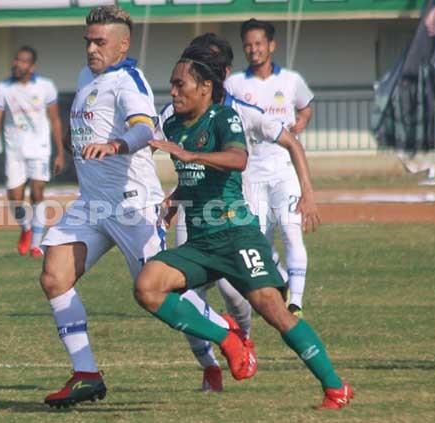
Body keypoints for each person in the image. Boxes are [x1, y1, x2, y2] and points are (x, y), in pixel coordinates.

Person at [37, 6, 235, 409]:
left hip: (132, 205)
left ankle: (224, 336)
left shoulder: (128, 80)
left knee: (157, 293)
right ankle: (86, 375)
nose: (91, 48)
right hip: (92, 205)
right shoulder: (86, 77)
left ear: (122, 44)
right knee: (54, 277)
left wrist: (117, 144)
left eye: (100, 42)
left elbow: (144, 127)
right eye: (88, 41)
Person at [138, 44, 353, 410]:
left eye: (179, 84)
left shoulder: (225, 118)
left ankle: (336, 388)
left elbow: (238, 159)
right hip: (200, 242)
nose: (172, 92)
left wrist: (192, 155)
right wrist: (174, 199)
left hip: (237, 236)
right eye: (171, 85)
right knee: (147, 287)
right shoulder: (172, 122)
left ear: (205, 87)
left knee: (274, 311)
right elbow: (188, 173)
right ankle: (229, 339)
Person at [162, 33, 320, 392]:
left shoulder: (242, 113)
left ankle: (244, 341)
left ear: (222, 74)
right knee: (186, 297)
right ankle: (211, 365)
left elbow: (291, 142)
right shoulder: (175, 112)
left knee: (238, 295)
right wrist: (173, 199)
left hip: (233, 221)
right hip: (195, 216)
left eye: (213, 66)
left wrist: (308, 194)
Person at [226, 19, 315, 317]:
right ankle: (286, 282)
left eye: (259, 43)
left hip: (284, 169)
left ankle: (296, 303)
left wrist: (301, 122)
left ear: (271, 45)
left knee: (291, 231)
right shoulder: (235, 84)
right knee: (260, 241)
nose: (253, 50)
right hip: (250, 174)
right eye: (248, 45)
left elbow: (306, 106)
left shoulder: (291, 80)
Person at [0, 46, 65, 258]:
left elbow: (55, 120)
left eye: (22, 61)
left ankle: (37, 244)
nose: (16, 64)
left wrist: (60, 152)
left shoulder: (45, 87)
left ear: (32, 66)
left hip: (39, 150)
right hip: (15, 151)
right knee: (15, 198)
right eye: (15, 60)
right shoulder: (3, 89)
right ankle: (26, 228)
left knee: (37, 193)